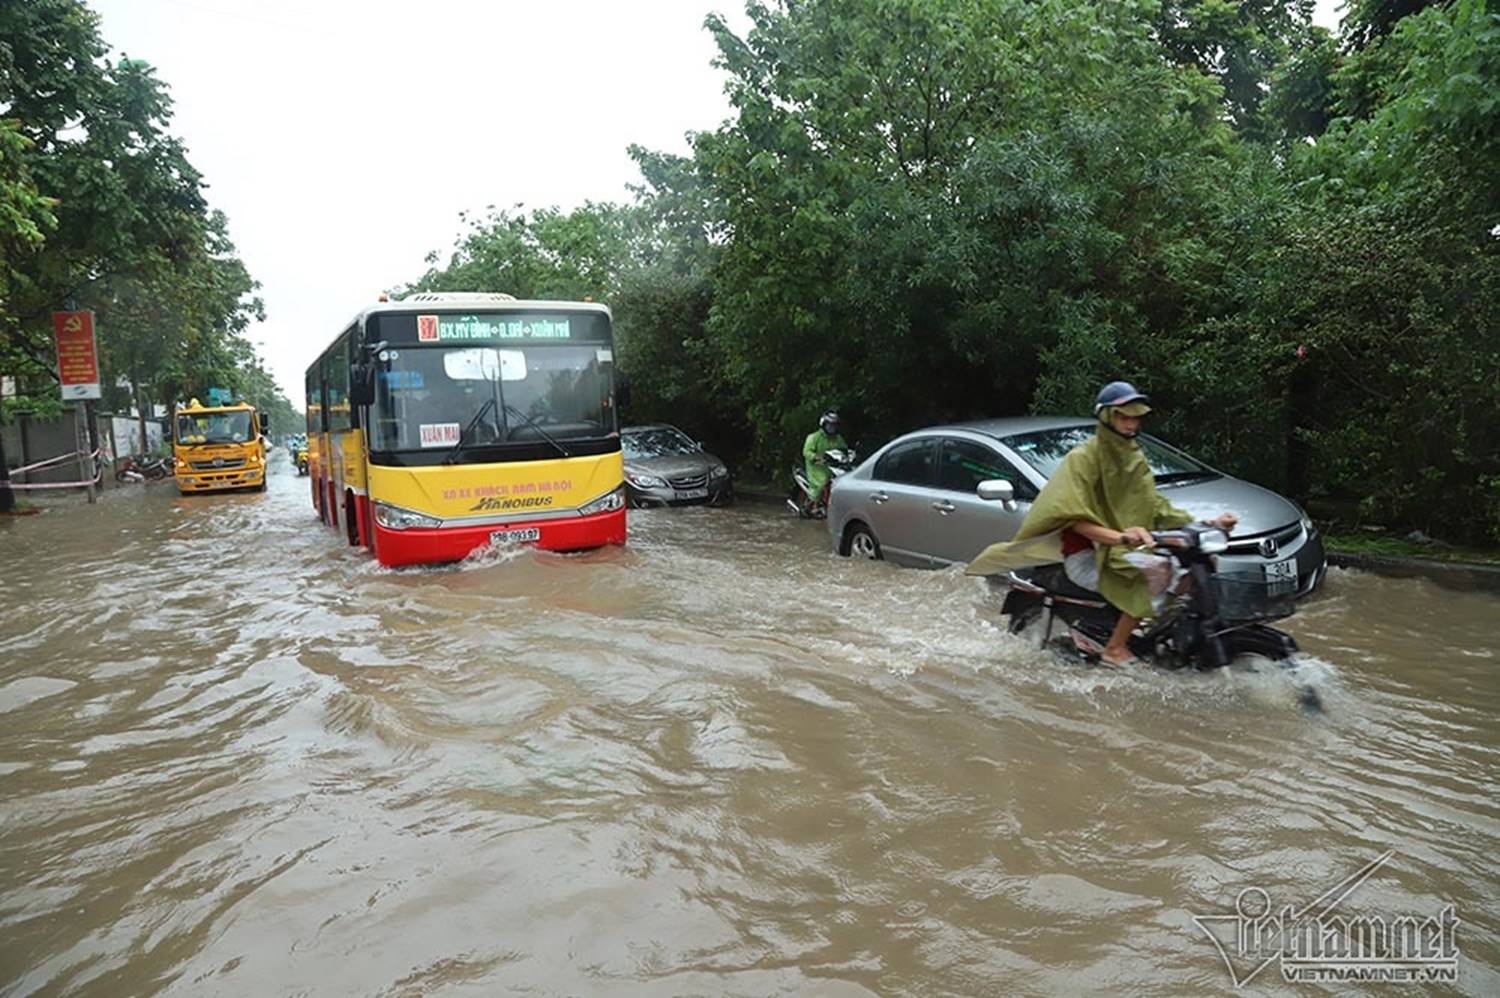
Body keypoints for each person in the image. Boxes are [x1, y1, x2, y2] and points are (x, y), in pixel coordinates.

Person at [967, 382, 1237, 667]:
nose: (1131, 424)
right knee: (1152, 576)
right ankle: (1115, 648)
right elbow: (1075, 519)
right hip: (1086, 556)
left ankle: (1158, 638)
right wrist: (1120, 538)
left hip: (1126, 551)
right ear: (1107, 417)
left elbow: (1156, 505)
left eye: (1135, 417)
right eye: (1123, 417)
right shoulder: (1083, 459)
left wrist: (1207, 523)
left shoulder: (1133, 458)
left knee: (1190, 573)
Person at [802, 410, 847, 513]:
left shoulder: (838, 438)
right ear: (823, 424)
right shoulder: (814, 437)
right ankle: (811, 504)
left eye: (834, 425)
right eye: (829, 425)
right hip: (817, 467)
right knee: (823, 481)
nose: (832, 427)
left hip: (834, 467)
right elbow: (806, 452)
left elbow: (844, 449)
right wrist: (817, 457)